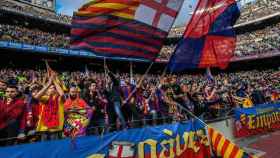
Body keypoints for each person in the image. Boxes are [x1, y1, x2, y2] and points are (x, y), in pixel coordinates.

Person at [34, 74, 65, 140]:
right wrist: (48, 84)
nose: (52, 89)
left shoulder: (59, 99)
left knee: (54, 146)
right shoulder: (45, 98)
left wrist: (54, 82)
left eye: (54, 88)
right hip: (44, 126)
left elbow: (62, 94)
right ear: (47, 90)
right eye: (50, 88)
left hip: (56, 127)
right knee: (44, 146)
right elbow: (36, 96)